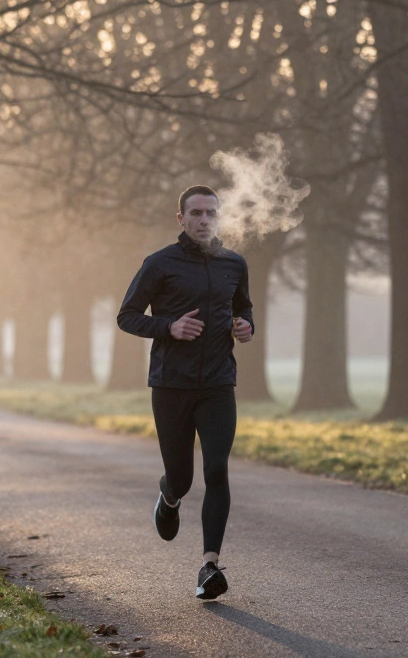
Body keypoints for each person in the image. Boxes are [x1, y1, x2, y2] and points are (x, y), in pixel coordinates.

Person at [116, 185, 254, 600]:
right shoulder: (160, 264)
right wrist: (169, 327)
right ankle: (169, 495)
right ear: (181, 219)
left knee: (216, 470)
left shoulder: (234, 263)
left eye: (211, 212)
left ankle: (209, 565)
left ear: (219, 217)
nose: (204, 219)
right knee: (183, 476)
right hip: (171, 386)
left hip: (217, 385)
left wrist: (246, 326)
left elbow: (242, 308)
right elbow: (127, 316)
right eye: (195, 213)